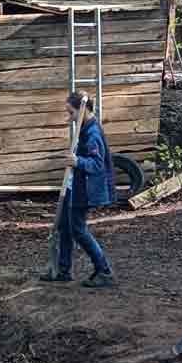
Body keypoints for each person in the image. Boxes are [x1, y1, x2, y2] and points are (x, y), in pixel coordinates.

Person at [42, 92, 116, 288]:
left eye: (71, 112)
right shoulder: (84, 128)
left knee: (78, 229)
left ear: (84, 110)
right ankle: (63, 271)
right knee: (65, 226)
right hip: (75, 186)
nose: (70, 117)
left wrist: (78, 161)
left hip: (86, 189)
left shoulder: (93, 133)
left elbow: (97, 164)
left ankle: (104, 270)